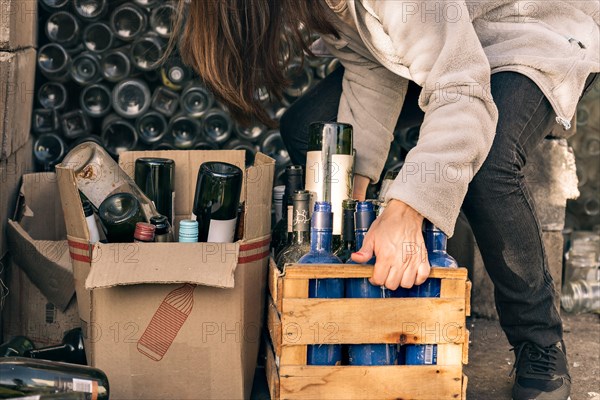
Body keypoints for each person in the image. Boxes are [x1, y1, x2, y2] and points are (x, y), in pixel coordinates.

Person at [174, 1, 599, 399]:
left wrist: (409, 207)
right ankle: (374, 285)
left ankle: (540, 342)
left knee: (488, 165)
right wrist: (351, 190)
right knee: (315, 130)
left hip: (530, 32)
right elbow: (370, 67)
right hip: (449, 43)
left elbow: (463, 91)